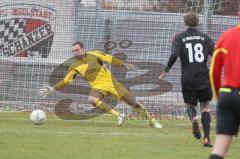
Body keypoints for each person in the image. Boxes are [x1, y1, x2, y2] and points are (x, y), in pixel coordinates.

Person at [38, 41, 162, 128]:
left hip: (112, 83)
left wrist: (124, 64)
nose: (75, 53)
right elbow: (66, 81)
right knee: (92, 99)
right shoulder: (74, 66)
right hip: (97, 87)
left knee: (133, 102)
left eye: (77, 50)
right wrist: (52, 88)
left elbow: (110, 59)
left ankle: (152, 120)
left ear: (83, 48)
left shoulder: (95, 54)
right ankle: (119, 115)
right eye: (73, 51)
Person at [159, 12, 215, 146]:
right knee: (206, 108)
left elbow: (174, 54)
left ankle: (194, 118)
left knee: (190, 106)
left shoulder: (179, 38)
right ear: (198, 23)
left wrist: (166, 70)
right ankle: (206, 138)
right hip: (203, 78)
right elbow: (216, 54)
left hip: (188, 79)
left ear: (185, 23)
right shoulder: (205, 38)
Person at [208, 13, 240, 159]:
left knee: (219, 149)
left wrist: (219, 98)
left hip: (227, 95)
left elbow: (214, 71)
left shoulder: (226, 36)